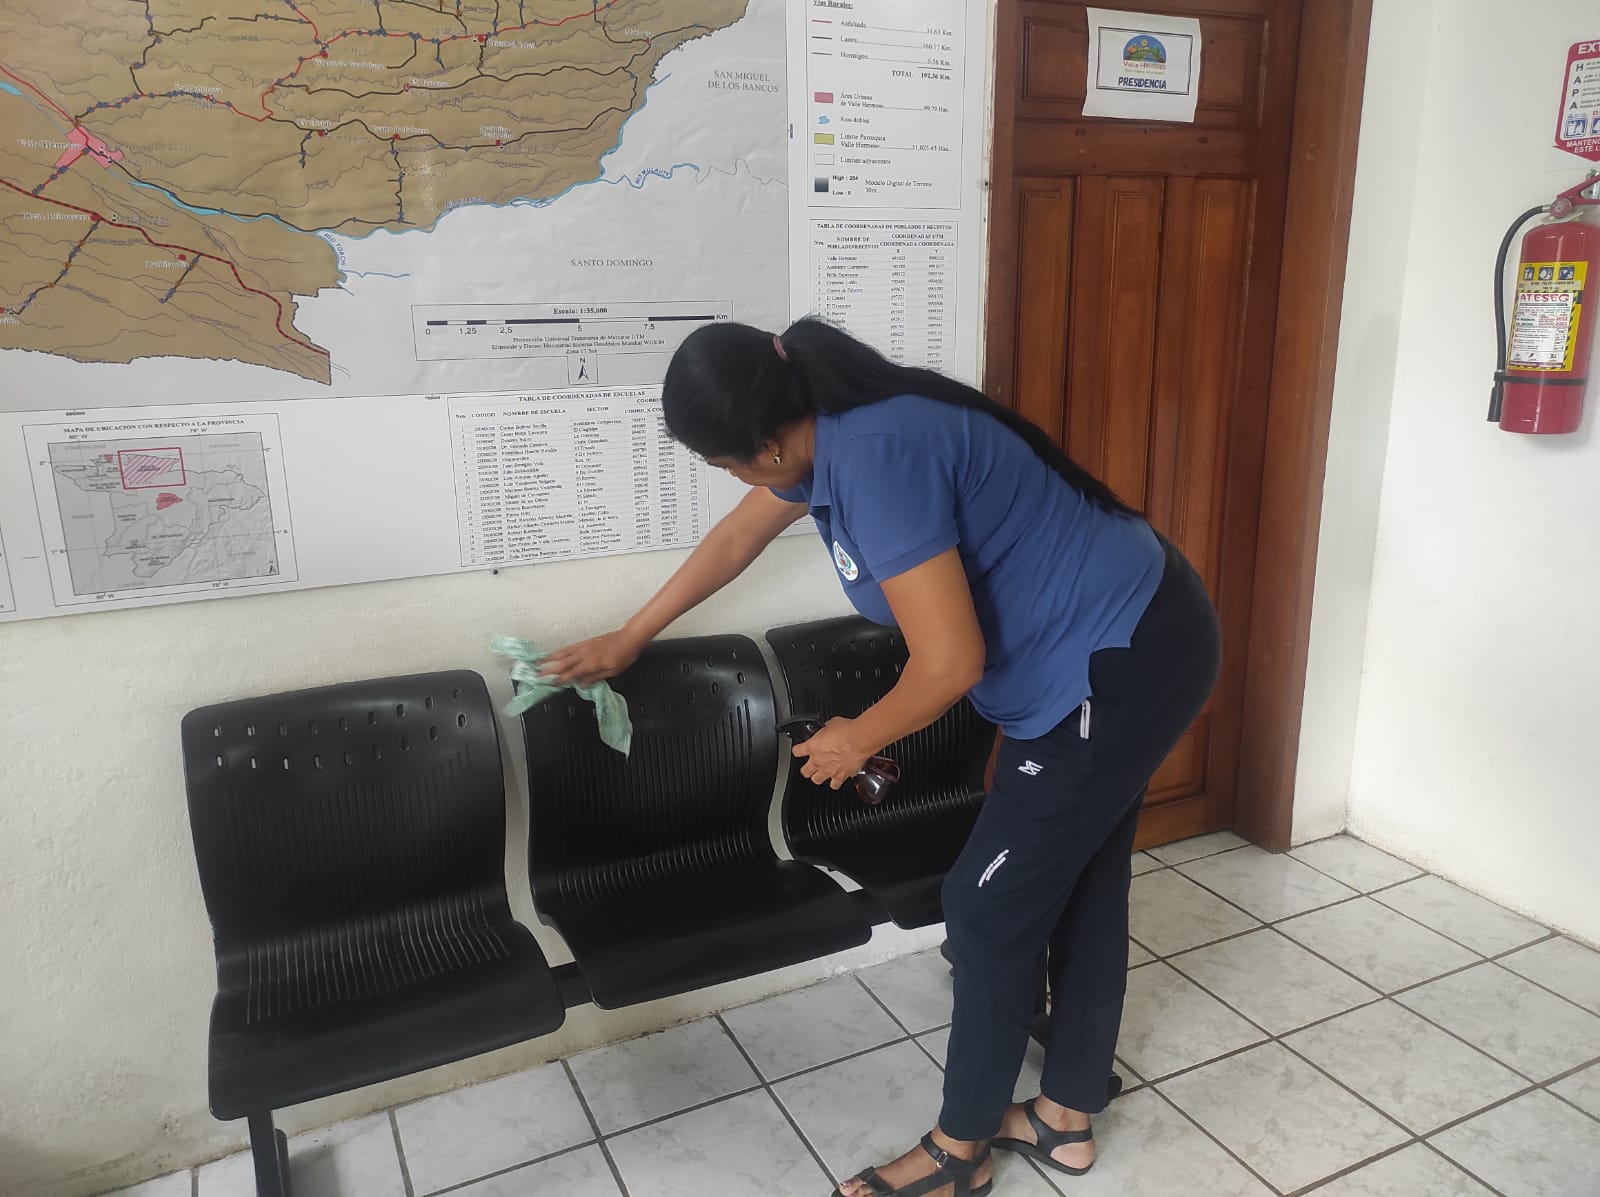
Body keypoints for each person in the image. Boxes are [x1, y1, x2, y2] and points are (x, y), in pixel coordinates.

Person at [543, 319, 1221, 1196]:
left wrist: (858, 736)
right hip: (1122, 637)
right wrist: (632, 635)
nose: (733, 479)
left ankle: (960, 1151)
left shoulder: (873, 455)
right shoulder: (823, 424)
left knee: (984, 905)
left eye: (726, 463)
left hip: (1115, 661)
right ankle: (1066, 1116)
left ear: (766, 443)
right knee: (1079, 874)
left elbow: (950, 663)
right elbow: (737, 538)